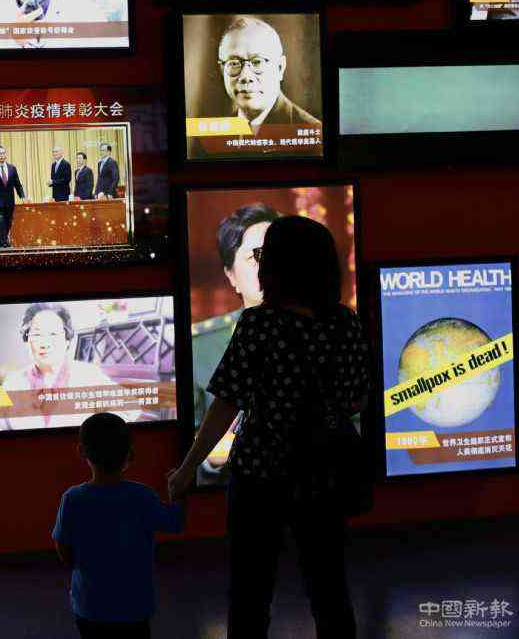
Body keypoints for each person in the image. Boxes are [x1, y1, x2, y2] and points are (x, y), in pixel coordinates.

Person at [169, 216, 371, 638]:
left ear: (276, 265)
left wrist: (187, 468)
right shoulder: (345, 322)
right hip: (324, 473)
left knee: (250, 595)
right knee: (330, 591)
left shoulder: (260, 324)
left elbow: (226, 402)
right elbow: (357, 398)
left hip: (261, 475)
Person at [53, 413, 185, 638]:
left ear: (81, 451)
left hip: (90, 608)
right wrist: (177, 491)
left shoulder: (72, 499)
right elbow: (176, 523)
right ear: (130, 454)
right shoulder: (143, 496)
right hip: (135, 608)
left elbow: (64, 551)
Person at [191, 203, 280, 483]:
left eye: (277, 253)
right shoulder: (199, 348)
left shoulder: (331, 327)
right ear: (231, 275)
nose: (269, 265)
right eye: (255, 257)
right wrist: (212, 458)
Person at [0, 303, 122, 431]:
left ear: (67, 339)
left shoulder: (91, 375)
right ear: (26, 339)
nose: (45, 344)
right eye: (37, 334)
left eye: (53, 334)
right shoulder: (11, 384)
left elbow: (128, 408)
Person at [215, 16, 319, 137]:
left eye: (257, 62)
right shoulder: (214, 134)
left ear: (280, 68)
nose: (245, 76)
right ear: (222, 69)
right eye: (234, 63)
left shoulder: (314, 134)